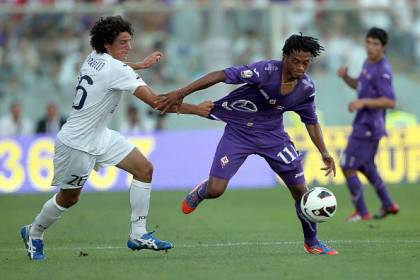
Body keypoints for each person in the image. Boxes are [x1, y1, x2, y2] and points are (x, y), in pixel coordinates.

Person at [20, 15, 213, 260]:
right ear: (107, 43)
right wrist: (197, 110)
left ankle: (138, 234)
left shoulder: (94, 59)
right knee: (69, 198)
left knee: (144, 169)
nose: (129, 47)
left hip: (100, 135)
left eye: (129, 41)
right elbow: (156, 102)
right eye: (123, 42)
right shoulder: (116, 68)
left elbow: (115, 68)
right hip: (77, 143)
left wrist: (140, 66)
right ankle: (34, 232)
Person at [156, 34, 338, 255]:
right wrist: (180, 93)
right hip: (239, 131)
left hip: (273, 137)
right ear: (285, 57)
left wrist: (324, 152)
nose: (301, 67)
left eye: (306, 62)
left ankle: (312, 242)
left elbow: (311, 121)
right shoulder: (264, 71)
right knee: (216, 190)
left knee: (302, 193)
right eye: (296, 61)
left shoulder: (306, 89)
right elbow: (220, 75)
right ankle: (202, 191)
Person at [337, 27, 399, 222]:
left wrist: (363, 102)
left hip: (369, 125)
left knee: (347, 165)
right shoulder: (368, 62)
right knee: (366, 167)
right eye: (369, 42)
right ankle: (389, 204)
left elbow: (390, 101)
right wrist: (346, 77)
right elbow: (360, 85)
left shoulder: (382, 70)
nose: (371, 47)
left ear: (384, 47)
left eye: (376, 44)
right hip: (365, 123)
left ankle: (362, 212)